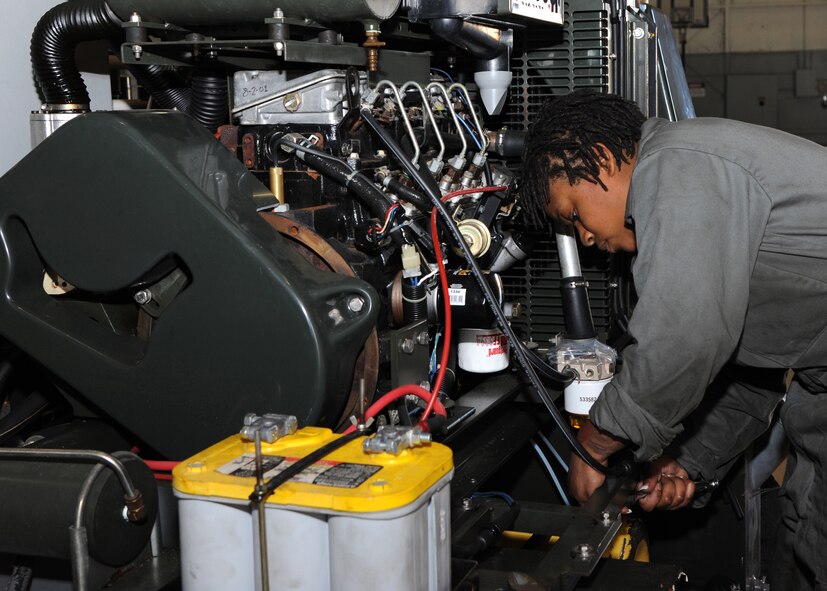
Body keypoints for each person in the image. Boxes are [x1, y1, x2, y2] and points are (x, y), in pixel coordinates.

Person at [521, 89, 827, 590]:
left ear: (598, 157)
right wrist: (688, 461)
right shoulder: (695, 191)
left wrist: (594, 446)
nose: (586, 240)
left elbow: (683, 340)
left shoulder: (678, 166)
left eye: (574, 214)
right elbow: (751, 373)